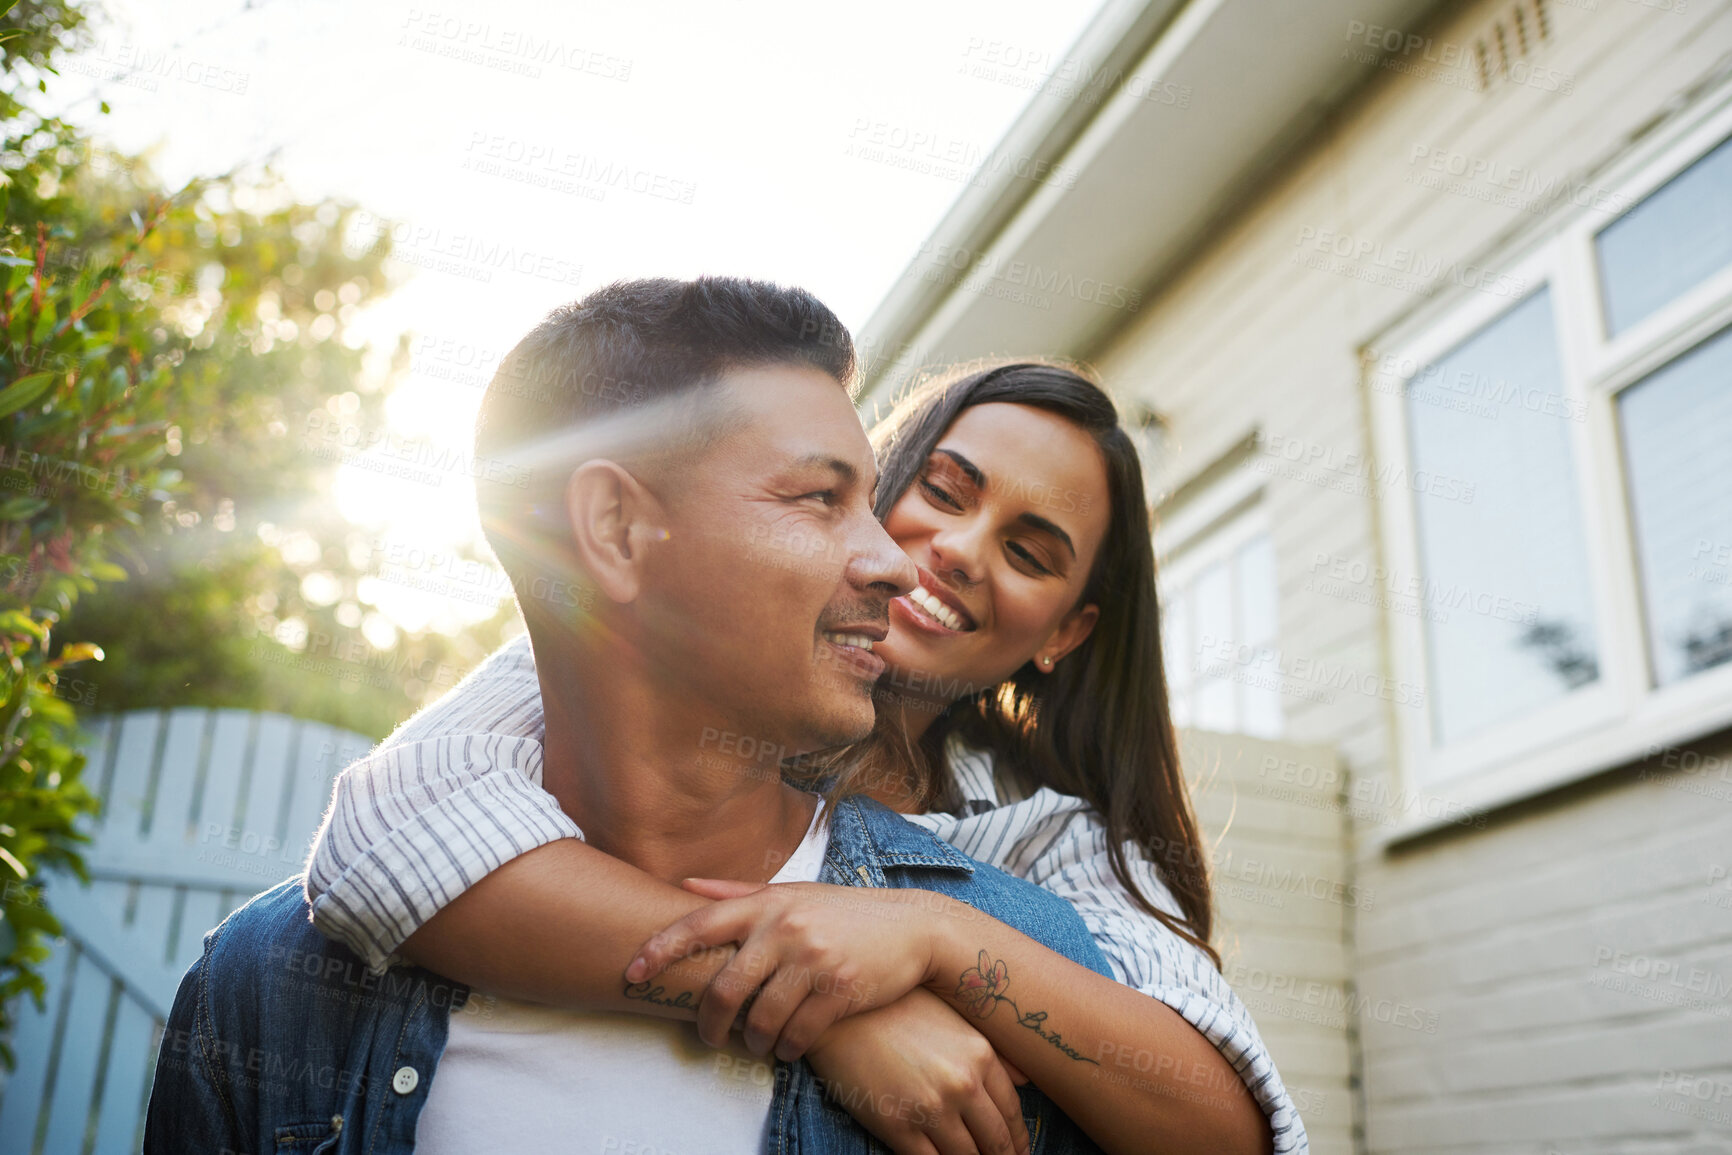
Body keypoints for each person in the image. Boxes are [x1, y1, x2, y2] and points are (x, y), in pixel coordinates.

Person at [143, 279, 1128, 1155]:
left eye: (869, 501)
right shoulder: (269, 988)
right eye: (821, 500)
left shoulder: (1015, 954)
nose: (895, 562)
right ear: (614, 530)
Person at [303, 356, 1305, 1154]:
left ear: (1064, 634)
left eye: (1029, 551)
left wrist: (933, 937)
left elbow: (1216, 1128)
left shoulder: (1041, 845)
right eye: (945, 493)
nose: (960, 549)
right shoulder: (646, 659)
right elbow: (381, 833)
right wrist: (828, 1012)